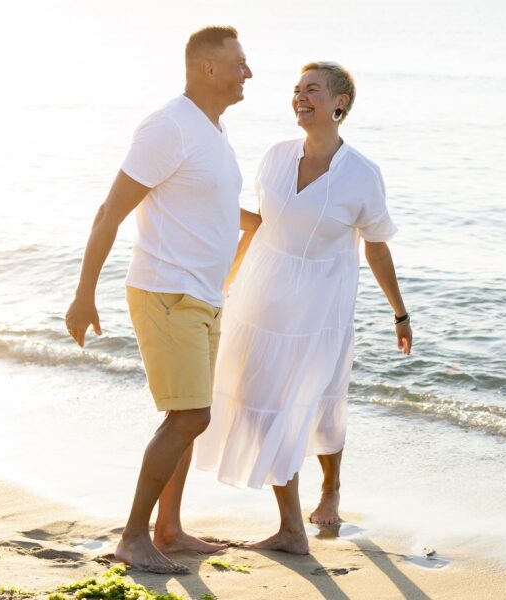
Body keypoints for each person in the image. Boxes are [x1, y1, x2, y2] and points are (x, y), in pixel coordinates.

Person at [195, 61, 412, 554]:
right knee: (261, 401)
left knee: (320, 405)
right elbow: (263, 225)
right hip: (260, 297)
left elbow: (376, 246)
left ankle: (330, 488)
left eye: (312, 89)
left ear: (340, 104)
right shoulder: (274, 157)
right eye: (296, 90)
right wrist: (220, 283)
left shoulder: (362, 175)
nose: (300, 96)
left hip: (320, 305)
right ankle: (292, 527)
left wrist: (399, 313)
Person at [64, 26, 257, 573]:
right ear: (208, 69)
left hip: (202, 295)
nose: (249, 72)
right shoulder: (169, 126)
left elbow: (207, 203)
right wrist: (84, 295)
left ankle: (168, 529)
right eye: (240, 63)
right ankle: (133, 536)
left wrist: (265, 224)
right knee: (188, 415)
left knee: (191, 415)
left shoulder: (212, 131)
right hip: (166, 291)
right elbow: (110, 212)